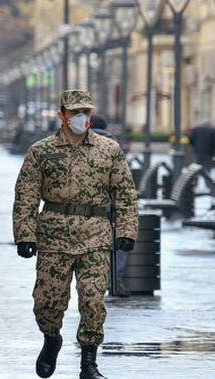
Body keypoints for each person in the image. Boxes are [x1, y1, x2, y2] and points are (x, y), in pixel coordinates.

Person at [13, 90, 138, 379]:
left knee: (93, 300)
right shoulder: (42, 151)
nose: (82, 117)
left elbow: (125, 194)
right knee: (47, 302)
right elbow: (26, 196)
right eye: (75, 112)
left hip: (95, 235)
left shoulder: (108, 150)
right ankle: (51, 338)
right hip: (54, 235)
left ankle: (89, 363)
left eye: (86, 112)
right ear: (62, 116)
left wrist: (127, 229)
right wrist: (25, 235)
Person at [90, 114, 131, 297]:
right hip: (111, 205)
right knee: (118, 242)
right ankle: (114, 278)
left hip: (88, 206)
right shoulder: (114, 146)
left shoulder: (79, 143)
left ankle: (93, 280)